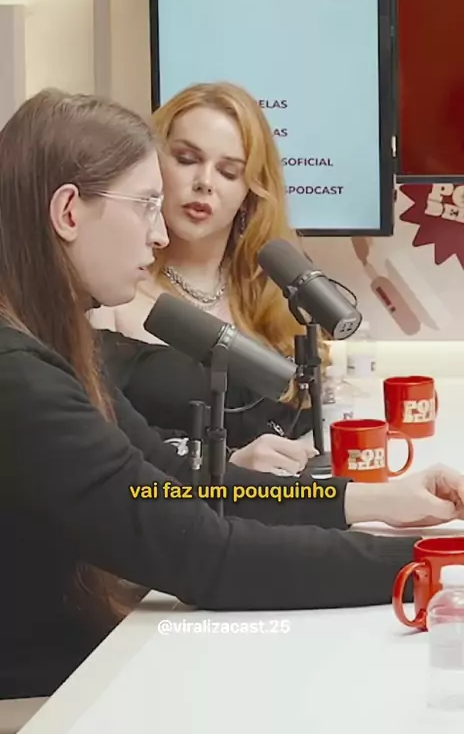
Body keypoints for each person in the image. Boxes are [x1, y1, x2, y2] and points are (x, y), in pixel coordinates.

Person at [1, 88, 463, 702]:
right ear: (68, 212)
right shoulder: (20, 379)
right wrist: (434, 562)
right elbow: (205, 554)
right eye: (145, 206)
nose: (159, 235)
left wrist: (373, 499)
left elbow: (189, 486)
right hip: (42, 703)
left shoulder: (55, 349)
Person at [91, 81, 329, 453]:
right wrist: (231, 466)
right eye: (187, 159)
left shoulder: (274, 294)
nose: (204, 183)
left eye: (228, 172)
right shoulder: (110, 296)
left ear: (250, 192)